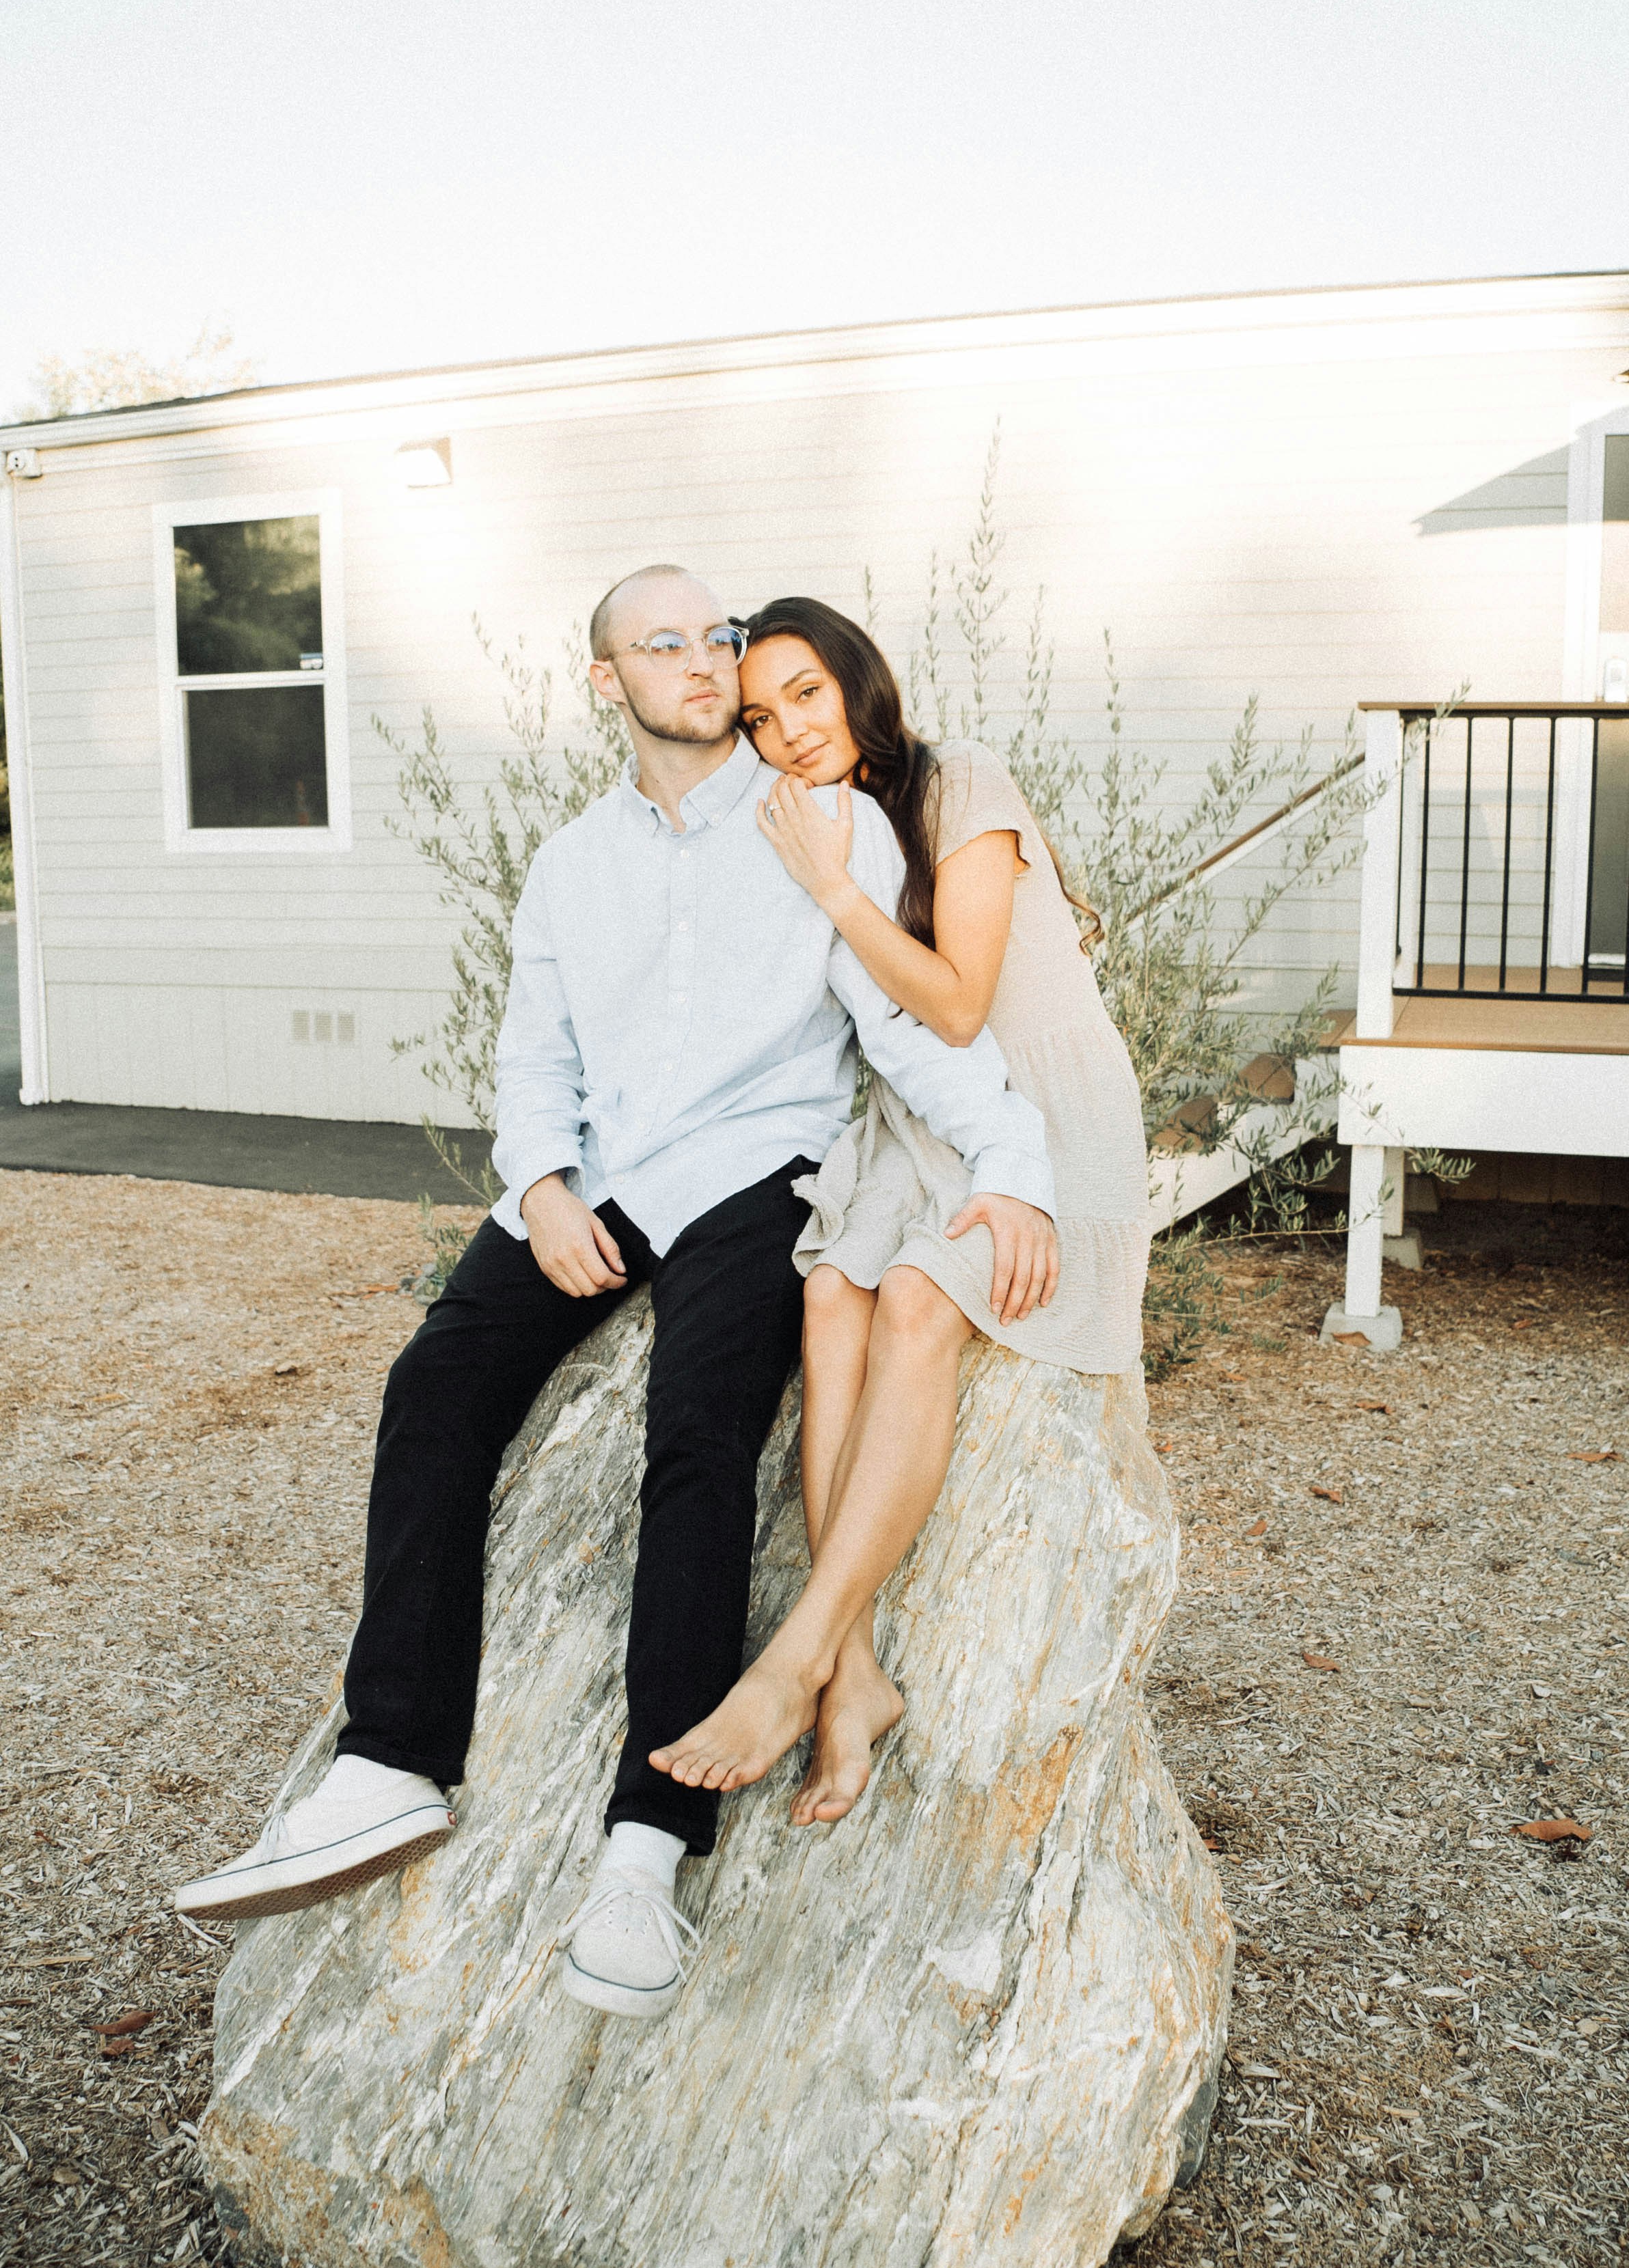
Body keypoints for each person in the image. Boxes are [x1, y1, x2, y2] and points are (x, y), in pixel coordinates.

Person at [176, 566, 1058, 2023]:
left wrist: (1012, 1165)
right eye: (669, 642)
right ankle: (389, 1761)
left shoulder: (816, 824)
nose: (709, 661)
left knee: (700, 1431)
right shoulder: (570, 862)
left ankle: (648, 1847)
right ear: (607, 680)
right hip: (605, 1179)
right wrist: (540, 1185)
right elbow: (534, 1060)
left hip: (756, 1166)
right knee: (437, 1381)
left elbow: (912, 1029)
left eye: (721, 637)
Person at [649, 596, 1149, 1826]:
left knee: (921, 1297)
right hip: (924, 1113)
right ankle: (857, 1672)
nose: (789, 733)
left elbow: (965, 1005)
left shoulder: (961, 782)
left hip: (1049, 1096)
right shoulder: (826, 828)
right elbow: (891, 1031)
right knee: (831, 1293)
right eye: (760, 718)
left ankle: (794, 1659)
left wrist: (833, 890)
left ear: (858, 679)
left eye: (806, 694)